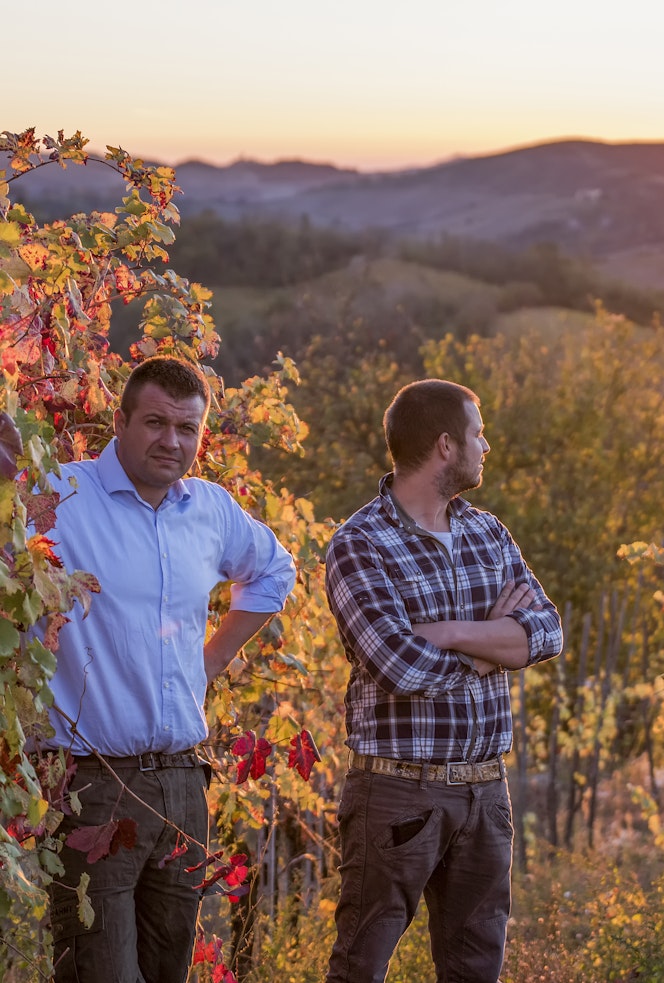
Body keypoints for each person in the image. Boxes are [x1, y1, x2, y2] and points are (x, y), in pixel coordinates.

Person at [35, 356, 296, 983]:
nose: (171, 441)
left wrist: (209, 662)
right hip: (92, 788)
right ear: (120, 422)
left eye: (187, 428)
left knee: (168, 969)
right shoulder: (61, 497)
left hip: (183, 785)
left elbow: (275, 572)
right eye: (155, 423)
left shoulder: (209, 509)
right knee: (98, 971)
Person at [324, 378, 563, 983]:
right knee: (360, 967)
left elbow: (547, 631)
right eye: (479, 434)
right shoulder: (360, 544)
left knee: (476, 970)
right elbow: (402, 666)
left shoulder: (488, 532)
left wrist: (454, 632)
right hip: (398, 794)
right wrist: (495, 643)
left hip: (485, 794)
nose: (489, 445)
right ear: (446, 446)